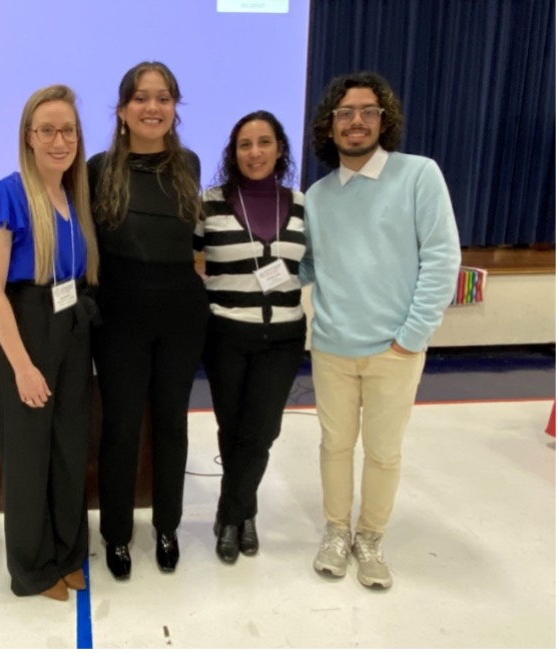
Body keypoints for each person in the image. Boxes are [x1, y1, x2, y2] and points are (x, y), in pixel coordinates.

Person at [300, 71, 461, 589]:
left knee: (384, 451)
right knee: (334, 447)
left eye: (368, 111)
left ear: (384, 119)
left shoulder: (419, 175)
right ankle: (336, 531)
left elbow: (441, 260)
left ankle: (369, 537)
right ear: (329, 126)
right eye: (345, 113)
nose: (356, 122)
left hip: (395, 349)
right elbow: (307, 266)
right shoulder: (318, 196)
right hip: (332, 348)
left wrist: (410, 337)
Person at [0, 85, 100, 601]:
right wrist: (21, 366)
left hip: (70, 327)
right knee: (28, 455)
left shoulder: (74, 195)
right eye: (47, 129)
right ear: (28, 136)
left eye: (67, 129)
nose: (58, 139)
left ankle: (67, 552)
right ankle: (32, 566)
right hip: (26, 328)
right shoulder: (4, 195)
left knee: (69, 448)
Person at [88, 61, 209, 581]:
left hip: (181, 313)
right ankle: (116, 533)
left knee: (171, 424)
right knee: (120, 427)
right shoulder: (96, 168)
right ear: (121, 110)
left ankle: (167, 526)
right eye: (141, 98)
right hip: (119, 314)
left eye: (163, 98)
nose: (152, 107)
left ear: (175, 108)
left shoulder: (191, 165)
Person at [195, 111, 307, 564]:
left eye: (264, 142)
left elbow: (310, 262)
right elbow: (185, 257)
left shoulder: (300, 203)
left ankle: (232, 510)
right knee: (233, 427)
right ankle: (242, 515)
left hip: (283, 337)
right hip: (225, 334)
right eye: (245, 144)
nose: (255, 152)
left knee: (262, 430)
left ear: (279, 148)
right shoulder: (211, 202)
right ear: (233, 151)